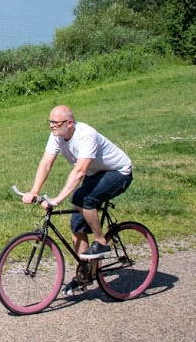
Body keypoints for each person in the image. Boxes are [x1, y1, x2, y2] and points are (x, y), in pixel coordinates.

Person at [22, 105, 133, 294]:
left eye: (55, 123)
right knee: (76, 225)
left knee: (83, 198)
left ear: (69, 123)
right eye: (50, 122)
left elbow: (80, 171)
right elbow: (46, 162)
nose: (51, 126)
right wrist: (34, 190)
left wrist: (57, 199)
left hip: (118, 172)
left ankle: (101, 242)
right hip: (96, 173)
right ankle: (86, 274)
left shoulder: (86, 134)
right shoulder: (57, 135)